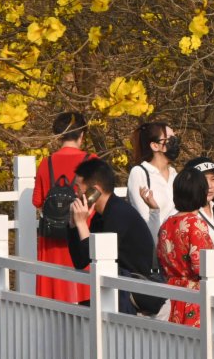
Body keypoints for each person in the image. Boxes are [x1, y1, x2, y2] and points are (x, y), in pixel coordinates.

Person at [67, 158, 159, 315]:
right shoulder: (101, 215)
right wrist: (73, 224)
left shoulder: (119, 214)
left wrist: (82, 224)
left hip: (136, 296)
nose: (75, 193)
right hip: (118, 292)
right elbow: (80, 261)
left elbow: (99, 256)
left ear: (94, 190)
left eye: (78, 187)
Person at [33, 110, 93, 303]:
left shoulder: (46, 163)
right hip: (81, 234)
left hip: (52, 239)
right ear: (82, 135)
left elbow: (37, 201)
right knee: (84, 296)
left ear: (59, 135)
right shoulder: (91, 161)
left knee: (54, 298)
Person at [156, 167, 214, 326]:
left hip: (171, 293)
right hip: (194, 296)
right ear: (201, 193)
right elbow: (201, 266)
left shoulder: (166, 224)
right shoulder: (195, 224)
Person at [129, 119, 180, 240]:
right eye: (170, 140)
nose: (175, 144)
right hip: (153, 247)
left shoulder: (175, 175)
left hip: (175, 248)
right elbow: (143, 218)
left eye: (175, 139)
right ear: (155, 145)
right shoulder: (140, 173)